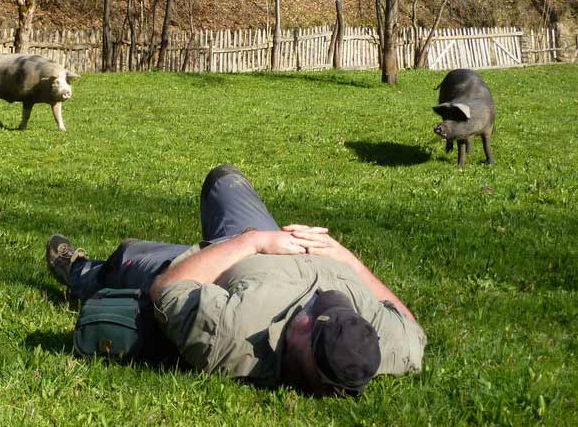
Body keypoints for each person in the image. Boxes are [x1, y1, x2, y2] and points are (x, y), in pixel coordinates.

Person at [47, 164, 426, 397]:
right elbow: (408, 321)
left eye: (316, 318)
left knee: (128, 255)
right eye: (338, 308)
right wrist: (342, 254)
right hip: (276, 242)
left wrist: (252, 242)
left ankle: (79, 272)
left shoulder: (235, 334)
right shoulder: (379, 348)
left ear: (303, 346)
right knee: (224, 179)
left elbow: (168, 288)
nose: (325, 301)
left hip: (216, 260)